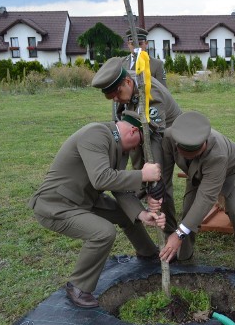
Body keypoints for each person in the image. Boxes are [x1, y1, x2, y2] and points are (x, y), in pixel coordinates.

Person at [28, 111, 166, 308]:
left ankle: (148, 252)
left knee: (126, 214)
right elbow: (101, 178)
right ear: (133, 130)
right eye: (140, 143)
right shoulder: (96, 134)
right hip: (57, 205)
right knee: (103, 233)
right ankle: (78, 287)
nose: (138, 148)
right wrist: (142, 175)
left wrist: (142, 214)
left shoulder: (119, 145)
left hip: (85, 199)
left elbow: (117, 186)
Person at [158, 111, 235, 287]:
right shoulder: (169, 137)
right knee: (189, 209)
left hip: (233, 171)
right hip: (197, 174)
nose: (197, 154)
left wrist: (179, 233)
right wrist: (158, 194)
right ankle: (184, 256)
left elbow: (206, 198)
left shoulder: (217, 154)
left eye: (199, 152)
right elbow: (165, 173)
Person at [92, 56, 181, 233]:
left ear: (127, 82)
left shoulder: (151, 94)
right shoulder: (120, 88)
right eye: (112, 97)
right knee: (141, 171)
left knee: (161, 186)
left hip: (166, 134)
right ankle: (142, 201)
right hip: (139, 130)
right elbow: (119, 119)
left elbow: (155, 137)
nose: (116, 99)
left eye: (117, 95)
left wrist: (156, 176)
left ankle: (169, 231)